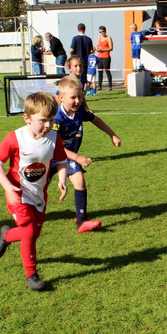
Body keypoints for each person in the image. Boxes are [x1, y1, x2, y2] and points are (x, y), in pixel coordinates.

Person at [0, 92, 69, 291]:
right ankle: (31, 275)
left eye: (51, 120)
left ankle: (7, 236)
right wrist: (8, 187)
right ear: (27, 118)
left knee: (34, 233)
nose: (48, 125)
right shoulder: (15, 138)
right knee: (29, 231)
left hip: (39, 194)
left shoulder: (53, 137)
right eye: (42, 120)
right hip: (18, 193)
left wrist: (61, 179)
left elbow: (61, 161)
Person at [52, 76, 122, 233]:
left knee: (79, 179)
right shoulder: (57, 118)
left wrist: (112, 134)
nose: (77, 101)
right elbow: (53, 146)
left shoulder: (79, 112)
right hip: (48, 157)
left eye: (80, 96)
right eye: (73, 98)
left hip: (66, 157)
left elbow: (96, 120)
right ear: (61, 98)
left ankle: (82, 220)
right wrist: (77, 157)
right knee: (37, 188)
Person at [95, 25, 114, 90]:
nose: (101, 33)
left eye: (102, 31)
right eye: (100, 32)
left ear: (105, 31)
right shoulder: (99, 38)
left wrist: (103, 50)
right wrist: (98, 49)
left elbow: (111, 48)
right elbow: (97, 47)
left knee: (107, 71)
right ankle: (99, 86)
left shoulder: (108, 38)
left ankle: (110, 86)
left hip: (106, 57)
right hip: (99, 57)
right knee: (100, 72)